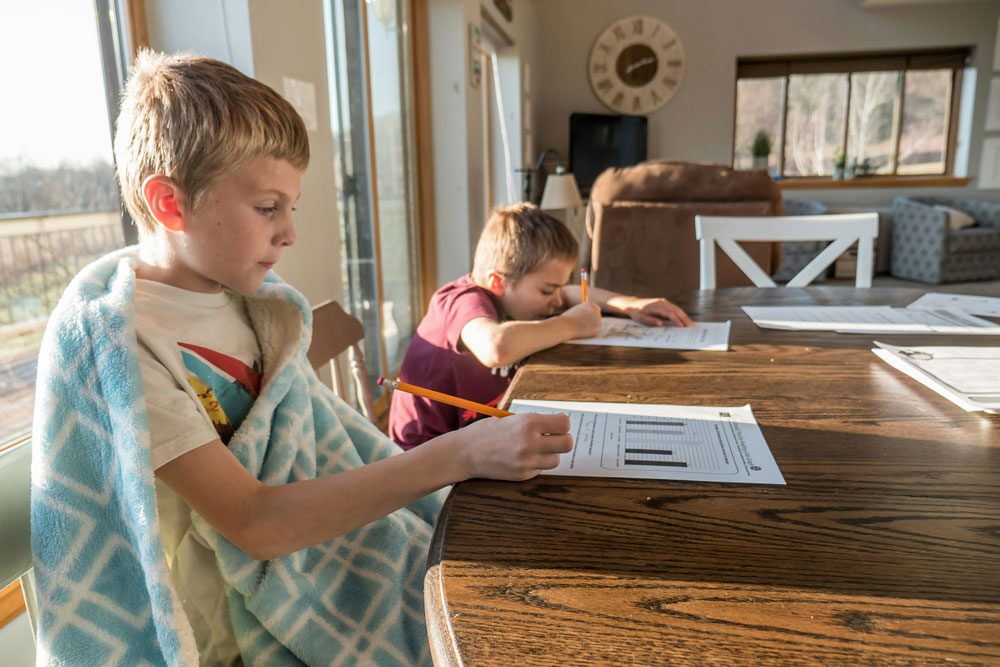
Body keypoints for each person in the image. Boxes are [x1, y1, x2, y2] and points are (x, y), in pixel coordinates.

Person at [30, 51, 570, 667]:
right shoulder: (121, 346)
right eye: (267, 208)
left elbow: (314, 443)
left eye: (293, 206)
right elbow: (256, 524)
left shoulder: (257, 307)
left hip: (311, 570)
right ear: (171, 204)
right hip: (224, 640)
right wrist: (461, 453)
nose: (290, 232)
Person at [389, 203, 693, 450]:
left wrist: (627, 304)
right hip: (427, 460)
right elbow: (496, 347)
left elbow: (570, 294)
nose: (556, 299)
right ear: (498, 281)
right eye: (547, 290)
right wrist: (570, 325)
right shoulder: (459, 299)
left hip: (477, 435)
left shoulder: (511, 294)